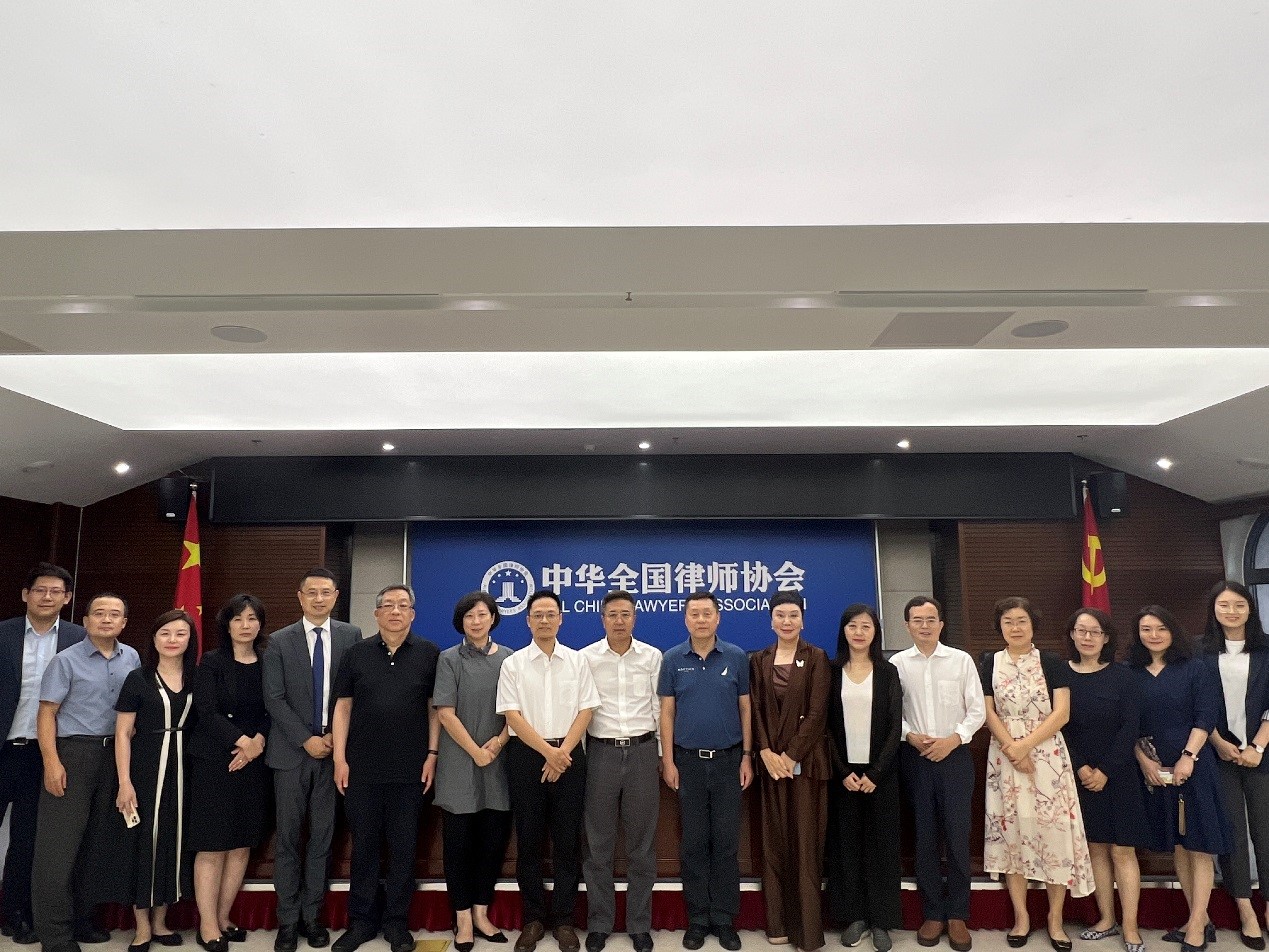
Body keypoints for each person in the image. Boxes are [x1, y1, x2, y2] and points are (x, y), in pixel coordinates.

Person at [331, 584, 440, 952]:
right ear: (376, 613)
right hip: (361, 769)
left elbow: (434, 709)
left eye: (403, 605)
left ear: (412, 614)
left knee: (404, 848)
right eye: (388, 605)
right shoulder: (356, 653)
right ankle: (361, 922)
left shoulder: (429, 653)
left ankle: (396, 922)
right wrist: (339, 758)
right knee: (363, 847)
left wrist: (432, 753)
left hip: (411, 770)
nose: (395, 611)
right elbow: (343, 708)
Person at [980, 597, 1093, 951]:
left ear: (1033, 626)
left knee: (1054, 836)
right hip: (1004, 757)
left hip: (1047, 757)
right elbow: (987, 712)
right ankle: (1022, 917)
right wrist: (1012, 749)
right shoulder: (989, 662)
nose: (1015, 627)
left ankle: (1055, 920)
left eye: (1022, 621)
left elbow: (1062, 714)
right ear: (999, 627)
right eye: (1008, 622)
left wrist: (1024, 746)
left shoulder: (1052, 662)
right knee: (1012, 834)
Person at [33, 592, 142, 952]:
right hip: (73, 754)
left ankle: (82, 920)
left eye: (114, 614)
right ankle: (55, 935)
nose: (106, 619)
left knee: (95, 845)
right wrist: (51, 762)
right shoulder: (65, 661)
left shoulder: (133, 658)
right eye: (99, 613)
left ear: (124, 623)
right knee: (58, 849)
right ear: (85, 620)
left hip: (116, 756)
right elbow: (46, 713)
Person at [262, 568, 361, 952]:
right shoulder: (278, 641)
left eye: (326, 592)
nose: (319, 599)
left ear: (336, 596)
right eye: (312, 592)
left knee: (322, 838)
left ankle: (312, 917)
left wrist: (335, 737)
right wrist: (306, 740)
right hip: (291, 752)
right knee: (288, 839)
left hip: (334, 752)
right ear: (300, 597)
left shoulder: (351, 636)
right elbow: (274, 698)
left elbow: (353, 693)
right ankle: (287, 921)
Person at [496, 589, 599, 952]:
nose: (544, 620)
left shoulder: (577, 661)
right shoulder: (513, 664)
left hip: (569, 756)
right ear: (528, 621)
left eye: (550, 614)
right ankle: (533, 919)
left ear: (560, 619)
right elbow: (512, 716)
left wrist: (562, 753)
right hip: (527, 756)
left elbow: (587, 710)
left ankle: (565, 920)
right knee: (529, 841)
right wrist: (548, 753)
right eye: (537, 615)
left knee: (568, 842)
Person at [1129, 605, 1231, 952]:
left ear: (1173, 631)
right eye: (1146, 629)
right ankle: (1198, 918)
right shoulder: (1131, 672)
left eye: (1161, 628)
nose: (1154, 635)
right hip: (1156, 771)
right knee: (1178, 846)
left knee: (1199, 846)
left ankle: (1197, 927)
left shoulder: (1194, 668)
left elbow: (1206, 715)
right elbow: (1127, 723)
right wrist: (1143, 760)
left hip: (1195, 767)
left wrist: (1188, 757)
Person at [658, 590, 753, 952]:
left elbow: (746, 709)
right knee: (694, 843)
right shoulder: (672, 659)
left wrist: (747, 756)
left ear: (718, 618)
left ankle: (725, 919)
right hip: (688, 763)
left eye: (707, 613)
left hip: (729, 761)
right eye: (694, 614)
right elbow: (667, 712)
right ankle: (698, 919)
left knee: (726, 844)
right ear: (685, 619)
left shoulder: (736, 657)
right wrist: (668, 760)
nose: (701, 619)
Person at [890, 596, 984, 952]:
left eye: (931, 619)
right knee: (924, 837)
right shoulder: (897, 664)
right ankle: (932, 912)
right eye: (917, 620)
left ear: (942, 624)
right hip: (915, 758)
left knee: (958, 837)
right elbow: (891, 713)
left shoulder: (961, 660)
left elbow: (976, 710)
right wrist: (910, 736)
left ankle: (958, 914)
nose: (925, 625)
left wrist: (953, 739)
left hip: (955, 757)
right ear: (907, 626)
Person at [0, 563, 85, 945]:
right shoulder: (3, 633)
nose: (47, 597)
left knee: (27, 839)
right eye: (40, 590)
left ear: (67, 598)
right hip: (4, 748)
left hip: (45, 754)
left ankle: (15, 914)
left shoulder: (79, 638)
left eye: (56, 591)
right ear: (25, 594)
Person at [188, 595, 273, 952]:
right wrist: (242, 742)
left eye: (252, 618)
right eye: (238, 618)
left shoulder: (269, 660)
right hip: (214, 762)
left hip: (254, 764)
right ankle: (206, 925)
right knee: (212, 845)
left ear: (260, 624)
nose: (245, 625)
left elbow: (275, 707)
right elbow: (206, 711)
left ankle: (223, 917)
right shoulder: (211, 661)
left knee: (240, 844)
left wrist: (258, 743)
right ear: (226, 624)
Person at [1064, 608, 1150, 952]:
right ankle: (1106, 920)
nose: (1087, 637)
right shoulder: (1061, 676)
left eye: (1094, 632)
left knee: (1122, 850)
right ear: (1072, 634)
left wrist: (1105, 770)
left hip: (1120, 774)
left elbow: (1131, 726)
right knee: (1096, 849)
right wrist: (1081, 767)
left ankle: (1130, 927)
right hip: (1080, 775)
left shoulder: (1124, 676)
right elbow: (1060, 726)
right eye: (1081, 630)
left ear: (1106, 638)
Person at [749, 591, 830, 952]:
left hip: (805, 765)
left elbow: (817, 713)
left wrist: (790, 755)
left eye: (793, 615)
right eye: (780, 615)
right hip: (770, 766)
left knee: (805, 845)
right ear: (771, 620)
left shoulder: (816, 657)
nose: (787, 621)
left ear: (803, 620)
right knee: (774, 844)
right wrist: (766, 751)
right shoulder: (759, 660)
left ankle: (807, 932)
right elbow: (754, 708)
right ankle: (778, 923)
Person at [581, 591, 661, 952]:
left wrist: (662, 756)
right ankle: (600, 923)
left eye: (625, 614)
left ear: (634, 618)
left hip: (643, 752)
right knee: (598, 845)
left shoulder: (652, 657)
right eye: (612, 614)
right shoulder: (586, 658)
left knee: (642, 846)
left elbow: (659, 707)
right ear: (602, 619)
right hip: (601, 753)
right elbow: (580, 709)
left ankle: (639, 925)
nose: (619, 620)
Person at [114, 610, 199, 951]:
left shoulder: (197, 678)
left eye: (180, 633)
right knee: (144, 843)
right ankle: (142, 927)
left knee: (173, 843)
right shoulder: (138, 678)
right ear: (153, 638)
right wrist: (124, 782)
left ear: (190, 639)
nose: (172, 640)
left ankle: (162, 921)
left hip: (186, 770)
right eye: (165, 633)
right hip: (145, 769)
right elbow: (123, 733)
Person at [435, 591, 514, 952]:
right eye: (469, 616)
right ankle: (463, 918)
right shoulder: (449, 659)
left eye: (482, 614)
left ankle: (481, 913)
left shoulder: (510, 659)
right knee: (458, 846)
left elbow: (518, 712)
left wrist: (497, 744)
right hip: (459, 763)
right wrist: (476, 752)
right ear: (461, 622)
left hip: (499, 762)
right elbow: (445, 713)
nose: (476, 621)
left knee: (491, 844)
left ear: (493, 618)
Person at [827, 604, 903, 952]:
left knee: (882, 847)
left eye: (866, 626)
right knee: (846, 846)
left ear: (876, 632)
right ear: (843, 631)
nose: (859, 632)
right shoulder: (831, 671)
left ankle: (881, 920)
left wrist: (876, 772)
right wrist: (843, 772)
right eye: (852, 626)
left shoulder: (887, 671)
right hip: (843, 775)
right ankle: (854, 916)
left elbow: (895, 726)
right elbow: (824, 727)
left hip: (880, 776)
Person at [1199, 581, 1269, 950]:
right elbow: (1195, 701)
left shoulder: (1267, 647)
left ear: (1250, 608)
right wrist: (1217, 742)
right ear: (1214, 609)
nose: (1231, 611)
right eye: (1224, 605)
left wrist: (1258, 745)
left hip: (1262, 753)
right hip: (1218, 754)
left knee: (1266, 831)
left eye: (1239, 605)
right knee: (1232, 834)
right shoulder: (1199, 650)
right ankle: (1245, 909)